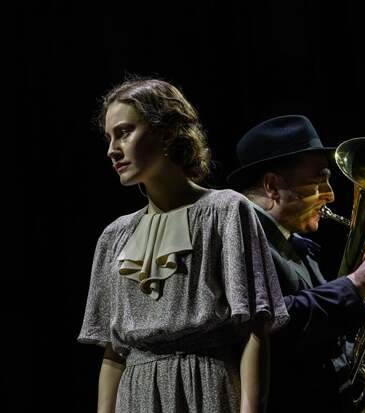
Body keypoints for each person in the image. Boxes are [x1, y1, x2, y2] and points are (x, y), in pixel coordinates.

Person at [77, 77, 289, 413]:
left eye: (125, 132)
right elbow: (114, 354)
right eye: (109, 137)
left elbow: (255, 330)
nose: (112, 149)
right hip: (136, 396)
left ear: (166, 132)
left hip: (206, 387)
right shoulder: (115, 236)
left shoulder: (225, 211)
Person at [227, 115, 365, 412]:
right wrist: (356, 284)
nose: (330, 195)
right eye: (320, 180)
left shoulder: (300, 248)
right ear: (272, 186)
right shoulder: (239, 236)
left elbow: (321, 347)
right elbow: (270, 324)